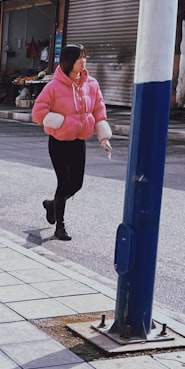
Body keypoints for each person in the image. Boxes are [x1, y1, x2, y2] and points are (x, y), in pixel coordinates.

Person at [31, 43, 113, 241]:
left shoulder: (91, 84)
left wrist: (103, 137)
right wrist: (63, 122)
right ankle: (60, 225)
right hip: (59, 141)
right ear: (68, 62)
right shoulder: (53, 86)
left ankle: (53, 205)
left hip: (78, 141)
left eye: (84, 57)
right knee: (64, 182)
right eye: (78, 58)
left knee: (77, 184)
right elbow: (38, 113)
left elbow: (98, 111)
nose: (83, 61)